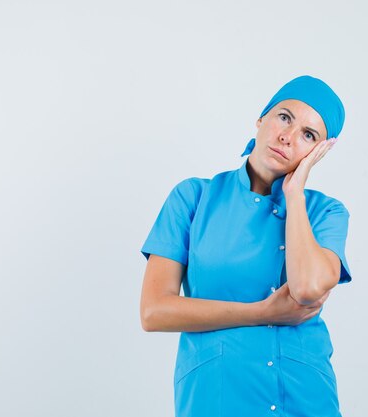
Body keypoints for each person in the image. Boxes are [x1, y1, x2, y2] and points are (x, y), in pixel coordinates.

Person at [139, 75, 352, 417]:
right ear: (261, 119)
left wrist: (294, 194)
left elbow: (308, 288)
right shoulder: (193, 198)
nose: (287, 136)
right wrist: (262, 313)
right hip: (217, 397)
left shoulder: (324, 212)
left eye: (308, 135)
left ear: (319, 152)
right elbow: (153, 311)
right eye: (284, 117)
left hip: (304, 398)